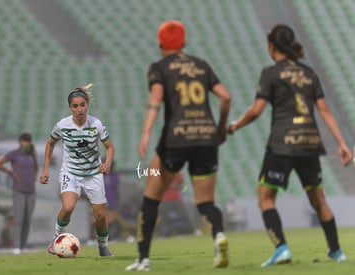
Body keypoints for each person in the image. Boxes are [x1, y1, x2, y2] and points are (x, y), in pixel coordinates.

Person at [228, 24, 351, 267]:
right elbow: (324, 109)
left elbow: (257, 110)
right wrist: (342, 143)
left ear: (272, 46)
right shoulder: (309, 74)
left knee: (265, 198)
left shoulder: (271, 73)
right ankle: (337, 252)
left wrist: (234, 126)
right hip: (309, 142)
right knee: (319, 201)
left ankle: (281, 248)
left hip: (282, 143)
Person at [126, 20, 231, 271]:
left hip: (176, 139)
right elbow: (225, 97)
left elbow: (156, 99)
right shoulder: (201, 65)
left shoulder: (159, 68)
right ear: (183, 42)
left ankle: (143, 259)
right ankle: (218, 234)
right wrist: (220, 127)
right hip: (206, 138)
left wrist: (145, 133)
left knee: (151, 197)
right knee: (205, 203)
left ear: (161, 43)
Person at [40, 84, 115, 257]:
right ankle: (57, 237)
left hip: (93, 174)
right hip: (71, 172)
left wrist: (108, 162)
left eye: (83, 105)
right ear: (70, 107)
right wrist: (45, 169)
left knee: (101, 216)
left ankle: (103, 246)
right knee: (68, 207)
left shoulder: (96, 124)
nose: (79, 109)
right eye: (75, 106)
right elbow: (50, 143)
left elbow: (110, 147)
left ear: (87, 104)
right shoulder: (62, 125)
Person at [0, 132, 38, 254]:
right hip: (19, 190)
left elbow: (36, 167)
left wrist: (34, 176)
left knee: (27, 220)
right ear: (20, 142)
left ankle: (23, 246)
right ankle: (16, 246)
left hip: (31, 190)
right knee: (18, 219)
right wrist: (11, 173)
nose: (26, 143)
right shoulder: (14, 154)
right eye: (24, 141)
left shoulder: (31, 155)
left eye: (28, 141)